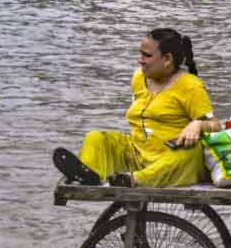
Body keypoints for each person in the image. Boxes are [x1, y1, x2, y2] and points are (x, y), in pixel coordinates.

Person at [53, 28, 220, 188]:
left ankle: (134, 180)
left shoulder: (191, 86)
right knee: (95, 137)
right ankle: (89, 176)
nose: (140, 59)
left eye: (146, 55)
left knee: (189, 153)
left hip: (171, 161)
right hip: (136, 152)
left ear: (167, 59)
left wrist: (197, 125)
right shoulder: (139, 77)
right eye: (140, 53)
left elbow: (215, 126)